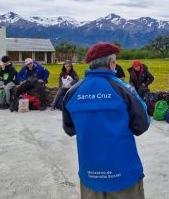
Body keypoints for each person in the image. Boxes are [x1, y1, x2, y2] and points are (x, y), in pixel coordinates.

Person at [62, 42, 149, 199]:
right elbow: (142, 125)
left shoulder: (72, 92)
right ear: (112, 63)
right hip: (123, 174)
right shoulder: (124, 90)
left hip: (90, 174)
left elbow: (69, 129)